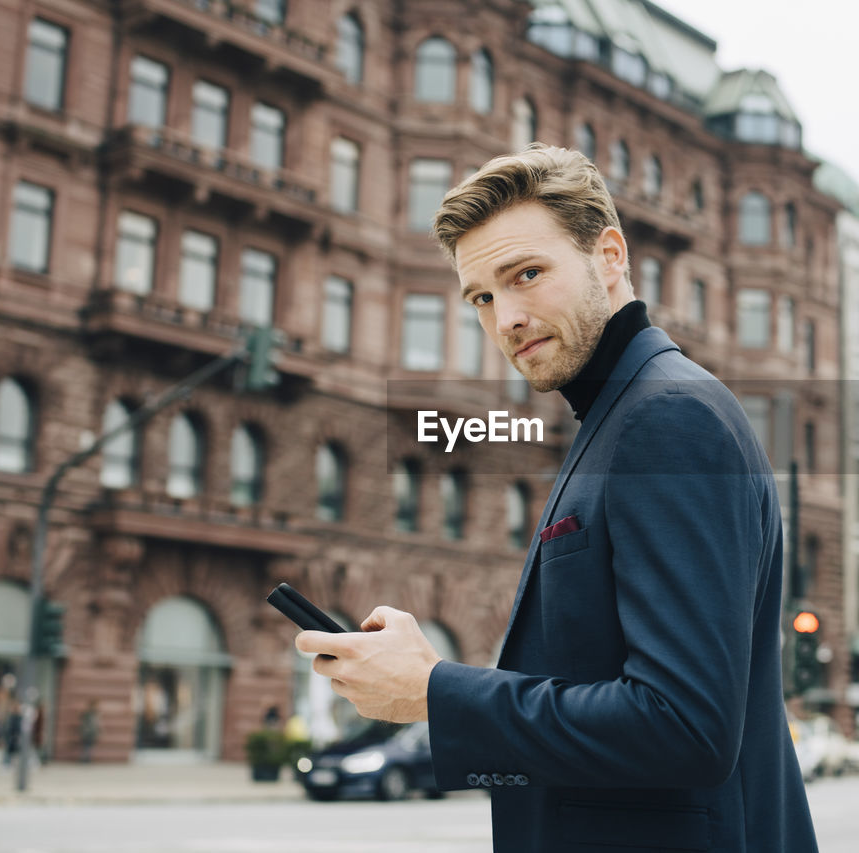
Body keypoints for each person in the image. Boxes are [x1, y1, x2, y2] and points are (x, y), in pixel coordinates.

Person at [296, 145, 818, 851]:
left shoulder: (666, 417)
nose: (504, 318)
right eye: (481, 296)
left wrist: (436, 690)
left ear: (609, 256)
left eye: (526, 275)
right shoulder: (618, 415)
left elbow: (684, 726)